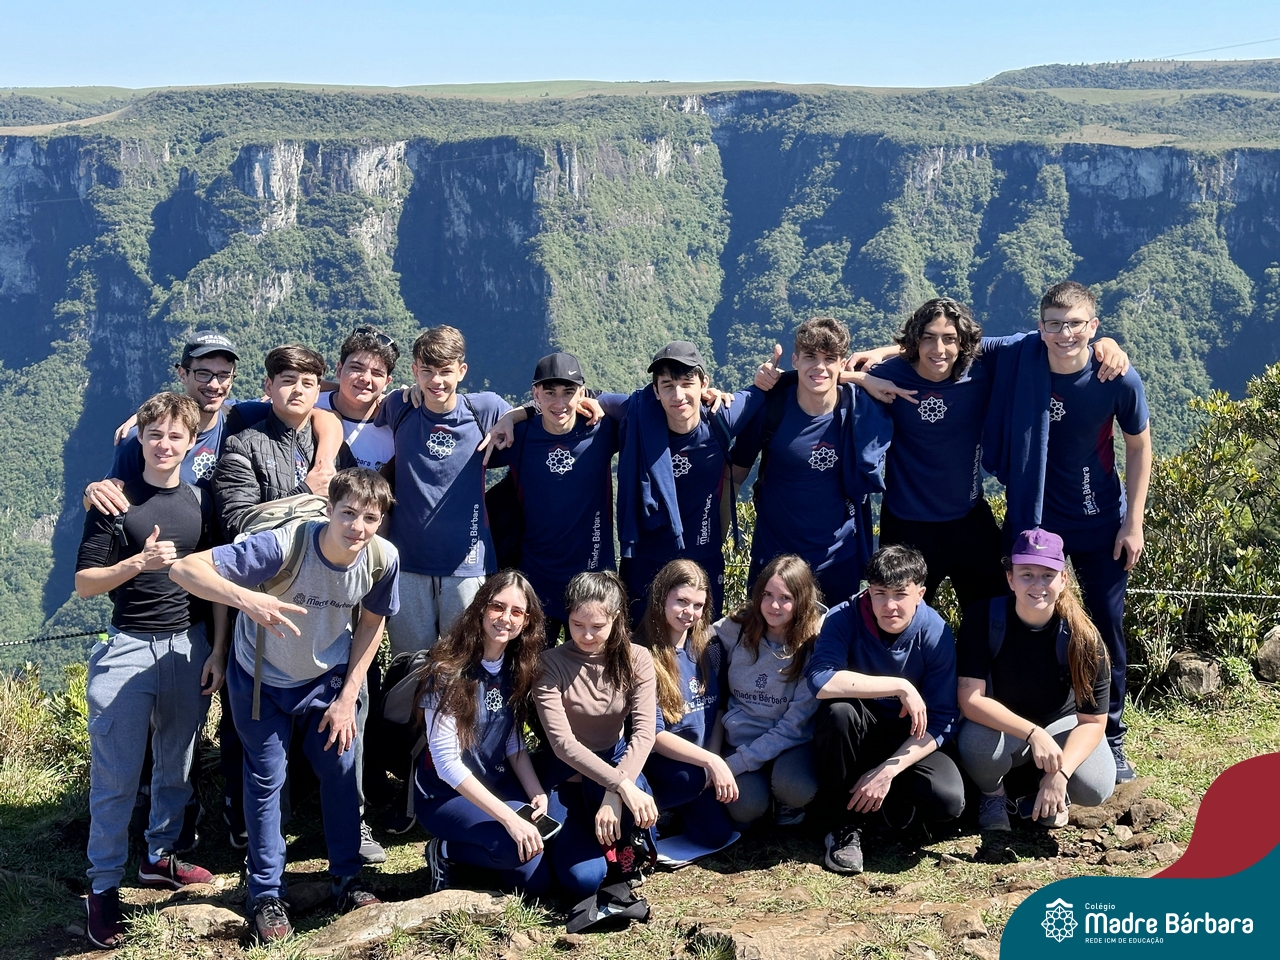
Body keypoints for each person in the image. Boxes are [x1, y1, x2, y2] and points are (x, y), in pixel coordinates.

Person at [170, 468, 400, 942]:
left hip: (326, 677)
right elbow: (184, 569)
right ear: (329, 510)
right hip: (261, 677)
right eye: (348, 513)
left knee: (341, 768)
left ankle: (347, 879)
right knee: (265, 780)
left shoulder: (382, 558)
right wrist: (247, 600)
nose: (357, 527)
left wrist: (348, 695)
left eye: (370, 518)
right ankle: (265, 893)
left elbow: (371, 623)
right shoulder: (282, 546)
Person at [854, 299, 1130, 613]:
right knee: (896, 618)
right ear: (915, 339)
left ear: (962, 343)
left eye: (949, 338)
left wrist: (1103, 344)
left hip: (968, 518)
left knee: (994, 615)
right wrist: (863, 378)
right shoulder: (890, 377)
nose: (939, 349)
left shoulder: (978, 370)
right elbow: (823, 377)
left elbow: (1048, 341)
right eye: (928, 337)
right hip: (906, 524)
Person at [981, 282, 1152, 781]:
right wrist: (877, 357)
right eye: (1054, 324)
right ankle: (1023, 727)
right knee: (1025, 624)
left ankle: (1110, 736)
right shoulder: (1021, 356)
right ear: (1040, 327)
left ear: (1093, 326)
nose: (1064, 333)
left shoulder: (1115, 378)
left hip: (1099, 521)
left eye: (1075, 323)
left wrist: (1133, 522)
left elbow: (1139, 446)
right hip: (1035, 524)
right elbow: (952, 344)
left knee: (1105, 629)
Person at [74, 392, 223, 949]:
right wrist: (138, 562)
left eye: (175, 436)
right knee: (115, 775)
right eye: (154, 434)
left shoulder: (202, 501)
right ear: (139, 437)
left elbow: (217, 583)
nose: (164, 445)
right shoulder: (115, 501)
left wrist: (216, 650)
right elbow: (85, 584)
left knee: (177, 762)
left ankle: (159, 856)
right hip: (128, 646)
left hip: (189, 646)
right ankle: (103, 886)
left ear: (192, 442)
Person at [806, 545, 964, 875]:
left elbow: (943, 719)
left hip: (909, 740)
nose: (889, 605)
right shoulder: (844, 617)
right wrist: (900, 686)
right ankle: (843, 826)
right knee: (838, 713)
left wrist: (888, 771)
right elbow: (820, 679)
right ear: (868, 591)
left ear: (920, 594)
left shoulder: (934, 631)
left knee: (947, 800)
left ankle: (889, 807)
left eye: (900, 594)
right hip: (856, 737)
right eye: (880, 593)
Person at [956, 529, 1115, 831]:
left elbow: (1093, 722)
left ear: (1063, 580)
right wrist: (1033, 734)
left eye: (1047, 575)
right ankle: (994, 795)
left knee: (1095, 787)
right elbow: (970, 700)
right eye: (1027, 574)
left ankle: (1053, 790)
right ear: (1010, 578)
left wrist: (1061, 774)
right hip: (1003, 727)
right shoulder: (983, 618)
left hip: (1061, 725)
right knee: (975, 742)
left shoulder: (1083, 637)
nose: (1037, 585)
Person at [85, 331, 344, 515]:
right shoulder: (144, 439)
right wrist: (92, 492)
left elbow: (320, 414)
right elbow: (104, 500)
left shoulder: (240, 417)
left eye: (223, 375)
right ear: (182, 374)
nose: (214, 384)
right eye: (203, 374)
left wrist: (324, 464)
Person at [730, 318, 895, 605]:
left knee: (832, 635)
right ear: (795, 360)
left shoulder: (860, 410)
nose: (819, 367)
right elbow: (733, 475)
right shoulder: (771, 409)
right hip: (774, 562)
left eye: (829, 358)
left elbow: (930, 353)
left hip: (837, 561)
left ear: (842, 364)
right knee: (767, 635)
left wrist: (874, 363)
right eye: (810, 357)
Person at [601, 341, 770, 621]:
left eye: (687, 383)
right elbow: (588, 398)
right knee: (640, 638)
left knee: (702, 638)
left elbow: (762, 393)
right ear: (655, 391)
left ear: (704, 384)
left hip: (701, 555)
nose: (678, 395)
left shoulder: (720, 418)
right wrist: (525, 413)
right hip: (646, 555)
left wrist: (767, 375)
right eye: (667, 385)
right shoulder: (638, 410)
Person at [413, 570, 554, 895]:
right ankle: (443, 850)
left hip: (495, 782)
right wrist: (510, 818)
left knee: (535, 877)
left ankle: (483, 853)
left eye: (516, 612)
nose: (505, 618)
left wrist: (536, 791)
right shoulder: (446, 671)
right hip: (445, 795)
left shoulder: (517, 667)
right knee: (511, 848)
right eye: (497, 607)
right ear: (480, 608)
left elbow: (513, 740)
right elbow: (447, 765)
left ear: (526, 621)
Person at [375, 325, 511, 655]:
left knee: (464, 661)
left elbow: (546, 413)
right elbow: (357, 400)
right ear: (414, 371)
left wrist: (516, 415)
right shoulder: (400, 407)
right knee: (409, 663)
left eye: (445, 371)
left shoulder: (485, 410)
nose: (436, 381)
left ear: (462, 371)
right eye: (427, 371)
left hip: (466, 565)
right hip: (407, 563)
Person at [533, 572, 659, 901]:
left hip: (619, 763)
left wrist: (615, 792)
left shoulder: (638, 658)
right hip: (567, 775)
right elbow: (563, 745)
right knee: (583, 880)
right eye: (577, 625)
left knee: (632, 803)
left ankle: (626, 846)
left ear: (615, 619)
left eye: (597, 626)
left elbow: (644, 733)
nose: (586, 635)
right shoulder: (549, 664)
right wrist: (620, 786)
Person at [486, 353, 620, 640]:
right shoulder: (518, 436)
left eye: (568, 392)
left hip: (591, 578)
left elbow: (647, 407)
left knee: (588, 666)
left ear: (582, 393)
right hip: (535, 579)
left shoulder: (602, 429)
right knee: (530, 664)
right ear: (536, 394)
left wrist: (708, 401)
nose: (559, 403)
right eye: (550, 393)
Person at [713, 554, 824, 827]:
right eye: (767, 595)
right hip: (741, 737)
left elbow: (794, 725)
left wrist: (735, 765)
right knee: (745, 808)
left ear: (802, 600)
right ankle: (762, 798)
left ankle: (784, 798)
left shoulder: (813, 643)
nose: (774, 605)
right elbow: (694, 640)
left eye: (786, 598)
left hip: (790, 742)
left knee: (795, 788)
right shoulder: (738, 627)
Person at [638, 560, 736, 851]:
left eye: (698, 605)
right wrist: (710, 763)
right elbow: (653, 734)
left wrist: (713, 757)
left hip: (700, 762)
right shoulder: (641, 652)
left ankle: (679, 811)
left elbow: (719, 708)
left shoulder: (710, 647)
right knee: (687, 779)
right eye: (681, 601)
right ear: (661, 597)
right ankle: (652, 807)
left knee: (717, 835)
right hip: (661, 763)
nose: (689, 612)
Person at [316, 325, 399, 472]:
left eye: (377, 373)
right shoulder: (310, 405)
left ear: (387, 382)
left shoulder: (396, 426)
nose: (366, 378)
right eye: (356, 368)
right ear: (339, 370)